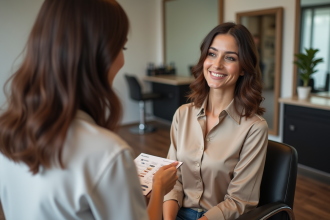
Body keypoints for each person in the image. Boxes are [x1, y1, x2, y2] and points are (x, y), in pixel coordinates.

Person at [0, 0, 178, 220]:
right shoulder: (107, 153)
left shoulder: (8, 130)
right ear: (97, 54)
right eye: (121, 47)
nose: (122, 59)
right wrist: (159, 186)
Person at [163, 22, 268, 220]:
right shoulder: (182, 115)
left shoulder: (254, 128)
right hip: (175, 212)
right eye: (212, 54)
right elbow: (173, 181)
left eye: (230, 58)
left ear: (244, 68)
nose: (217, 64)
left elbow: (239, 200)